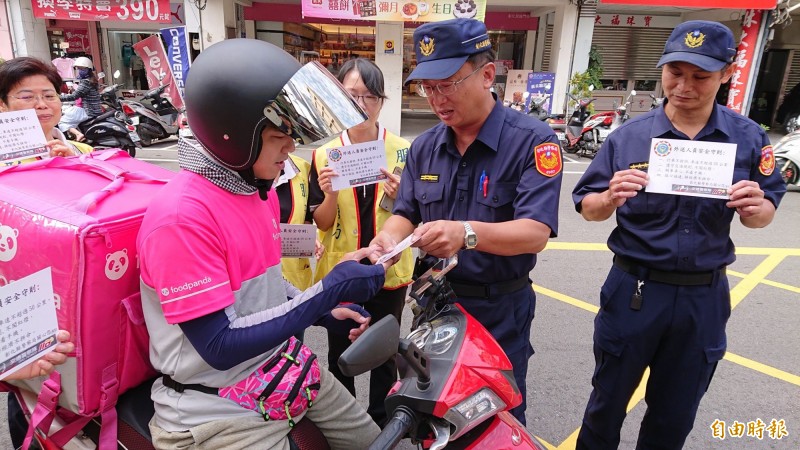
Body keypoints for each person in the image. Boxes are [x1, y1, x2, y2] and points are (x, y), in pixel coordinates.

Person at [137, 38, 394, 449]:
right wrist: (324, 293)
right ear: (234, 137)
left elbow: (265, 291)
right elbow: (219, 345)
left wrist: (328, 308)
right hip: (216, 409)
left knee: (381, 442)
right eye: (280, 136)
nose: (292, 148)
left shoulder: (258, 190)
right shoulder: (183, 217)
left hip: (283, 367)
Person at [572, 21, 786, 449]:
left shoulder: (747, 138)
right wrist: (611, 196)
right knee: (606, 407)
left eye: (701, 76)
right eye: (675, 72)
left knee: (674, 416)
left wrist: (754, 204)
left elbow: (762, 216)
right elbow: (588, 208)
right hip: (634, 291)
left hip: (702, 299)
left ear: (726, 73)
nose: (684, 86)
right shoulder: (629, 138)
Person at [370, 18, 563, 425]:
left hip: (498, 308)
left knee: (495, 414)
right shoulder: (424, 147)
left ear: (487, 74)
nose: (436, 98)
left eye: (448, 83)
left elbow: (535, 233)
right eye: (428, 87)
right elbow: (405, 212)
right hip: (434, 307)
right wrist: (385, 242)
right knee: (431, 414)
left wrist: (466, 233)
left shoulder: (533, 141)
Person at [309, 58, 414, 426]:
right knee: (342, 347)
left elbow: (418, 213)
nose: (360, 103)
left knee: (385, 347)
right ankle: (348, 421)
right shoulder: (324, 154)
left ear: (381, 102)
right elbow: (321, 222)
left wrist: (403, 196)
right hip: (344, 267)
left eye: (368, 96)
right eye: (351, 94)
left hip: (391, 265)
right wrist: (330, 193)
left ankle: (381, 421)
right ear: (335, 97)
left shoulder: (403, 150)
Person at [0, 57, 92, 163]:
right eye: (27, 97)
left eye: (49, 96)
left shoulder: (85, 152)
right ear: (2, 104)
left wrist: (77, 167)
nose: (42, 105)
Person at [275, 153, 320, 291]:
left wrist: (309, 240)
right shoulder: (237, 171)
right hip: (258, 279)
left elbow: (306, 217)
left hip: (296, 276)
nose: (290, 145)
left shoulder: (302, 168)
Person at [59, 56, 102, 141]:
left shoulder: (85, 82)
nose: (79, 71)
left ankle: (78, 134)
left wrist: (58, 98)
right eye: (78, 69)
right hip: (94, 109)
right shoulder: (92, 80)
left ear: (88, 69)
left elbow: (74, 96)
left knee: (62, 121)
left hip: (87, 111)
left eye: (82, 69)